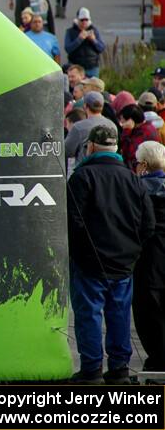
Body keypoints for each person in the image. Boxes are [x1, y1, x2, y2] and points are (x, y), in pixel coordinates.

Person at [66, 125, 154, 384]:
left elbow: (73, 222)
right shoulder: (132, 179)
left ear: (91, 146)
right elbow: (148, 224)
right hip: (124, 262)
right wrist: (132, 250)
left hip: (90, 263)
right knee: (119, 315)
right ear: (115, 148)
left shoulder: (82, 178)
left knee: (89, 315)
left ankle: (91, 368)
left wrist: (80, 253)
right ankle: (119, 369)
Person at [133, 141, 165, 372]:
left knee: (148, 310)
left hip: (147, 259)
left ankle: (157, 358)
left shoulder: (136, 190)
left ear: (142, 165)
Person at [65, 91, 118, 164]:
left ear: (85, 106)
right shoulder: (112, 125)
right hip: (109, 167)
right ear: (102, 106)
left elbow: (67, 151)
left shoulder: (79, 127)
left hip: (85, 170)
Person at [64, 7, 105, 77]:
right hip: (76, 67)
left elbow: (101, 48)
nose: (84, 22)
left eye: (86, 20)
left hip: (92, 67)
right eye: (82, 20)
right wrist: (79, 39)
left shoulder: (94, 30)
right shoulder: (70, 32)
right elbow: (68, 49)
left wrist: (93, 40)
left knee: (93, 87)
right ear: (77, 20)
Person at [118, 104, 159, 172]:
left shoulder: (144, 132)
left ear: (131, 120)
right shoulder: (144, 127)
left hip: (143, 171)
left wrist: (127, 130)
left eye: (123, 119)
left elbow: (129, 153)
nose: (121, 123)